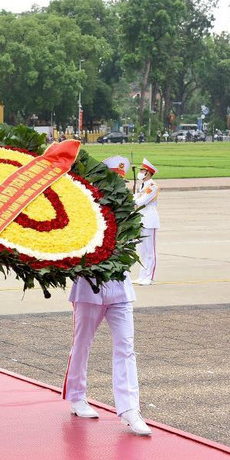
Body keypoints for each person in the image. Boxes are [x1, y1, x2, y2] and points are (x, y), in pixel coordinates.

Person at [62, 155, 152, 436]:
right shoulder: (85, 210)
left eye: (122, 180)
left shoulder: (129, 212)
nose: (119, 184)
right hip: (89, 287)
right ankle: (76, 396)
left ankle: (129, 410)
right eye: (114, 179)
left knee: (126, 346)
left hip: (121, 288)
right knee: (82, 343)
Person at [133, 158, 159, 286]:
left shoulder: (152, 186)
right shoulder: (142, 185)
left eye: (142, 170)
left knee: (150, 251)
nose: (140, 172)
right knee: (143, 251)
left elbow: (140, 201)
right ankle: (142, 275)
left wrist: (132, 199)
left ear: (148, 172)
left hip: (149, 219)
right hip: (141, 219)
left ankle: (149, 276)